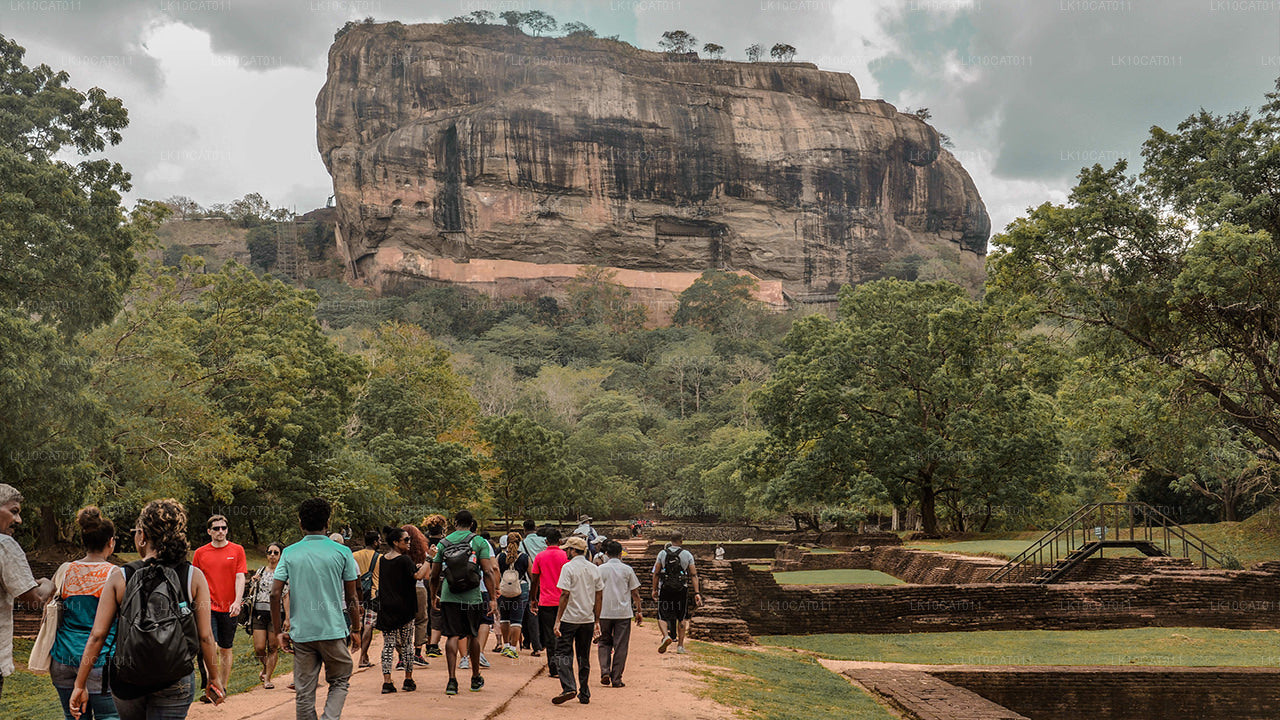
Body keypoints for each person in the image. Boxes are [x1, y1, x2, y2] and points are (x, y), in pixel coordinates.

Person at [70, 499, 223, 718]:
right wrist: (213, 678)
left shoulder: (120, 577)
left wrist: (80, 684)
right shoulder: (193, 576)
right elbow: (206, 636)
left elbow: (98, 635)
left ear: (142, 536)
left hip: (129, 679)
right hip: (176, 676)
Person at [271, 498, 361, 720]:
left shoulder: (290, 553)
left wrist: (278, 632)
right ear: (328, 522)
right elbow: (352, 596)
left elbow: (274, 593)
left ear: (300, 523)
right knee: (339, 681)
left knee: (304, 692)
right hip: (334, 630)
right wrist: (356, 628)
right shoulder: (342, 552)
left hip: (302, 635)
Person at [49, 507, 120, 720]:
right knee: (110, 717)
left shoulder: (65, 570)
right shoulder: (115, 574)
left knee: (74, 717)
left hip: (62, 658)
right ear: (111, 542)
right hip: (100, 662)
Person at [428, 510, 499, 696]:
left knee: (452, 636)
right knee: (473, 635)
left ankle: (452, 681)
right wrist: (492, 599)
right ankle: (475, 677)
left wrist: (433, 596)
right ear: (472, 523)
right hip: (472, 597)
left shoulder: (443, 543)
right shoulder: (479, 542)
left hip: (449, 596)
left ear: (455, 522)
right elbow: (488, 571)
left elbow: (434, 574)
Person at [0, 484, 54, 701]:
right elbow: (34, 601)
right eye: (13, 511)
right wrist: (48, 584)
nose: (19, 520)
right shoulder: (4, 545)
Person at [191, 514, 246, 695]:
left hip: (230, 606)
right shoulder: (200, 553)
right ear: (209, 531)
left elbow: (240, 577)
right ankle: (211, 686)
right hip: (208, 606)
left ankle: (223, 686)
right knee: (210, 646)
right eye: (216, 528)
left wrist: (238, 602)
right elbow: (195, 580)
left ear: (227, 530)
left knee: (225, 648)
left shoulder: (237, 550)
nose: (220, 531)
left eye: (223, 528)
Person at [550, 536, 603, 705]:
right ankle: (584, 692)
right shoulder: (593, 568)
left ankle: (569, 687)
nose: (566, 552)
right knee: (583, 656)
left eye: (567, 549)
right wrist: (597, 620)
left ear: (573, 551)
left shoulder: (568, 567)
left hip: (569, 618)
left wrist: (558, 620)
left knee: (562, 653)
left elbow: (565, 594)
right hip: (587, 618)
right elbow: (599, 594)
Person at [376, 527, 429, 693]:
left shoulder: (383, 560)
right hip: (405, 608)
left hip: (387, 607)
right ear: (395, 542)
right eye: (405, 540)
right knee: (407, 644)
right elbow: (418, 576)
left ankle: (387, 681)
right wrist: (429, 560)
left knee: (388, 645)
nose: (408, 542)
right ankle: (408, 678)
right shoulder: (404, 560)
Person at [596, 540, 642, 688]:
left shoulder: (600, 569)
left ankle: (604, 670)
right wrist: (639, 611)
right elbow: (635, 593)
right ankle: (616, 678)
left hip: (604, 611)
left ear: (607, 554)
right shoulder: (627, 570)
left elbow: (595, 593)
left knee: (604, 642)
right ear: (621, 553)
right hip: (623, 613)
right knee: (621, 646)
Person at [651, 532, 700, 655]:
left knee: (662, 615)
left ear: (670, 540)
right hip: (681, 589)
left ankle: (666, 635)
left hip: (666, 588)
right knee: (681, 617)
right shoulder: (686, 554)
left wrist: (654, 589)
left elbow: (656, 573)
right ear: (681, 541)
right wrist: (697, 592)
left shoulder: (662, 553)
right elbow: (693, 574)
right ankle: (680, 646)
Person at [529, 527, 567, 678]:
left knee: (550, 635)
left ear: (545, 542)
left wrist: (533, 599)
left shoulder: (540, 556)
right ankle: (564, 665)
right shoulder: (565, 556)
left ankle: (553, 668)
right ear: (560, 541)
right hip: (563, 601)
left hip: (546, 601)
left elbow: (534, 580)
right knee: (563, 635)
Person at [247, 541, 286, 689]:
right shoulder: (261, 571)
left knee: (273, 647)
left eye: (276, 553)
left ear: (280, 555)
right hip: (259, 612)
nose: (272, 555)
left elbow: (286, 596)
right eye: (270, 552)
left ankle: (268, 678)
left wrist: (287, 617)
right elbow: (251, 594)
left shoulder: (283, 573)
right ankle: (265, 667)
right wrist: (253, 583)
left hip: (276, 613)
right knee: (259, 647)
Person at [496, 531, 530, 658]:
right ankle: (513, 648)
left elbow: (496, 572)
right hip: (520, 587)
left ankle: (505, 646)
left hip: (504, 589)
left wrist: (496, 587)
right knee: (517, 620)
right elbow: (531, 574)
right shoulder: (524, 557)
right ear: (519, 542)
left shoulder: (500, 556)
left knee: (504, 618)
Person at [351, 530, 381, 668]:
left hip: (356, 594)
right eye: (379, 540)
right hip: (373, 594)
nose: (380, 542)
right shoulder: (379, 557)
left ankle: (362, 656)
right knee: (369, 624)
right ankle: (363, 656)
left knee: (360, 623)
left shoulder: (354, 555)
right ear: (375, 542)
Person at [518, 521, 547, 656]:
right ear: (535, 528)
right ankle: (544, 641)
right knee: (545, 612)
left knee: (530, 613)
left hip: (531, 581)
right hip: (547, 581)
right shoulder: (544, 542)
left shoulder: (522, 544)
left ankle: (529, 641)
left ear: (524, 530)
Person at [422, 515, 447, 659]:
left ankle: (425, 641)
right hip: (440, 579)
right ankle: (434, 644)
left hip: (425, 578)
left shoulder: (423, 543)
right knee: (437, 610)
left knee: (426, 611)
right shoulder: (444, 543)